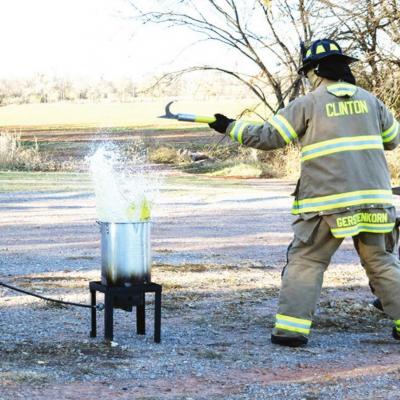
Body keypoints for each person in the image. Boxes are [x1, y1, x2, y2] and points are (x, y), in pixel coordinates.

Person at [208, 38, 400, 347]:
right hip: (376, 201)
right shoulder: (371, 101)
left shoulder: (308, 104)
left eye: (308, 73)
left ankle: (291, 332)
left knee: (306, 261)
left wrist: (230, 126)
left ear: (315, 72)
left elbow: (270, 137)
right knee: (381, 261)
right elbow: (393, 140)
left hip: (327, 204)